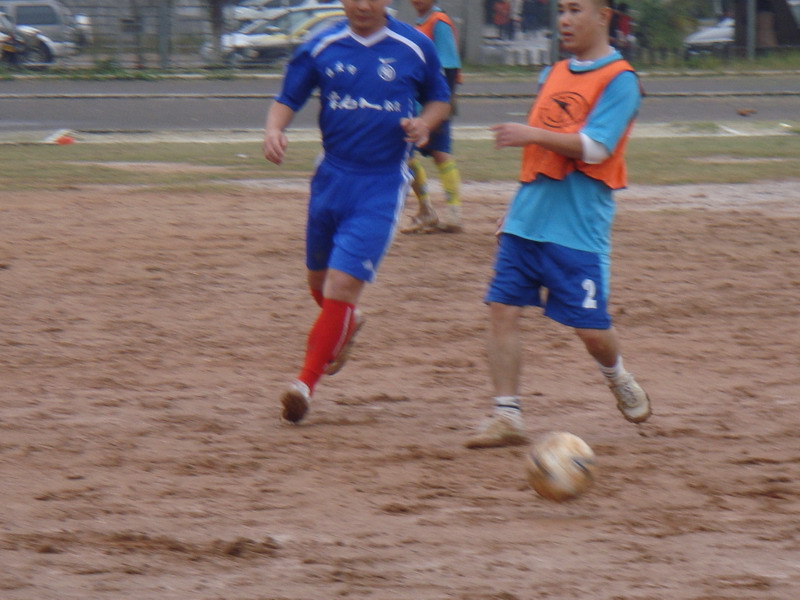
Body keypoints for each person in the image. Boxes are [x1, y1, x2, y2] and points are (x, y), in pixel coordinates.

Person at [465, 0, 651, 448]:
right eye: (562, 10)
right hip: (527, 222)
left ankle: (617, 375)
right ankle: (507, 415)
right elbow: (541, 159)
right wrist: (516, 207)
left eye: (575, 10)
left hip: (577, 230)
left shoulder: (621, 79)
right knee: (502, 308)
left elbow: (596, 148)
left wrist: (530, 133)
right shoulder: (551, 73)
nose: (564, 20)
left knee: (591, 331)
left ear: (603, 16)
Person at [263, 0, 451, 424]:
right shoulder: (321, 44)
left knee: (342, 285)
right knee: (319, 284)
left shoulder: (414, 46)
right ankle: (348, 322)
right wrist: (274, 129)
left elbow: (439, 99)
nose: (363, 5)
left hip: (381, 184)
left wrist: (424, 123)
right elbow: (287, 97)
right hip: (331, 178)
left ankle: (304, 385)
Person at [402, 0, 464, 234]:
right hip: (418, 103)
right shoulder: (421, 23)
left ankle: (454, 213)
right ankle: (426, 209)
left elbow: (450, 68)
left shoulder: (439, 22)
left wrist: (444, 106)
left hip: (435, 102)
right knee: (406, 155)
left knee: (440, 154)